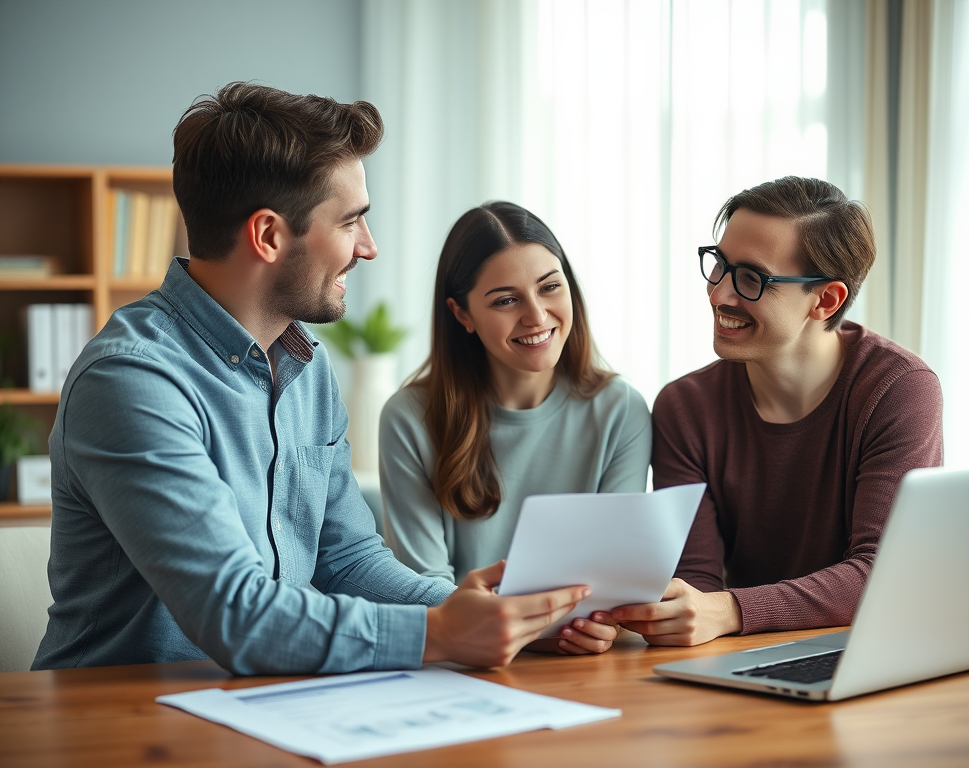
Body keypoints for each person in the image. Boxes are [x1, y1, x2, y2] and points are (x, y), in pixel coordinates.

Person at [33, 83, 591, 674]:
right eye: (351, 222)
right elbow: (235, 613)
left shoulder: (306, 367)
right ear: (269, 235)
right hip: (113, 722)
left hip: (259, 708)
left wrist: (492, 617)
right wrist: (440, 633)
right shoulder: (131, 380)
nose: (369, 248)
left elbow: (347, 560)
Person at [612, 176, 943, 646]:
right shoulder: (684, 408)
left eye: (752, 279)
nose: (719, 295)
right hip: (744, 656)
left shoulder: (897, 390)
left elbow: (884, 572)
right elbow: (696, 585)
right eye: (719, 266)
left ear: (825, 300)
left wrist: (731, 610)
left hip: (870, 652)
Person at [380, 201, 652, 655]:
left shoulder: (621, 409)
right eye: (506, 300)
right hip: (464, 664)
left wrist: (608, 624)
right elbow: (425, 586)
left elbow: (614, 579)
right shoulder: (409, 417)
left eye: (550, 288)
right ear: (462, 314)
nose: (536, 316)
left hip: (579, 668)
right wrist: (506, 628)